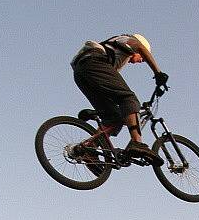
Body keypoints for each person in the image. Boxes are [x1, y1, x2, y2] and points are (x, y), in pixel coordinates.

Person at [71, 33, 169, 165]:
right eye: (142, 58)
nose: (141, 61)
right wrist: (158, 73)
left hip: (81, 72)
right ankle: (137, 143)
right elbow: (140, 47)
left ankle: (89, 150)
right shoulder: (129, 40)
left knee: (114, 118)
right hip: (92, 62)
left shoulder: (118, 57)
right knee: (128, 98)